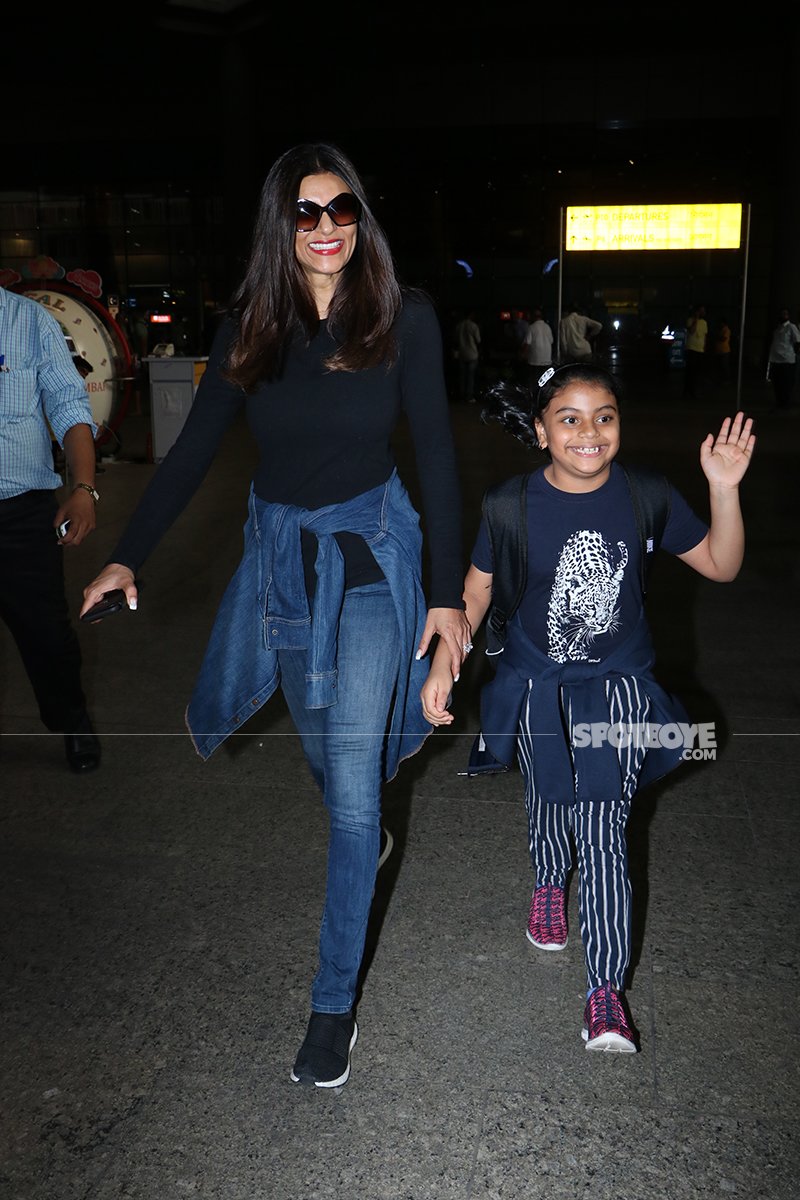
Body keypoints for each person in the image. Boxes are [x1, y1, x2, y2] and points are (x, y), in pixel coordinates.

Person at [79, 142, 471, 1088]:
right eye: (307, 212)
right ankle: (362, 814)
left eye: (343, 209)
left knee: (347, 781)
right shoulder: (251, 325)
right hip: (286, 564)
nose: (328, 228)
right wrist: (128, 551)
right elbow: (190, 454)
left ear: (360, 218)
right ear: (281, 225)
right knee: (332, 766)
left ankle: (331, 1007)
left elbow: (443, 461)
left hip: (375, 558)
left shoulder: (402, 317)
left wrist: (450, 600)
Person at [421, 362, 755, 1054]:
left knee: (604, 829)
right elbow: (475, 594)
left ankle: (604, 992)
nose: (589, 433)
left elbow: (722, 564)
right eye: (568, 418)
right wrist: (446, 661)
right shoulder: (509, 506)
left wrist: (723, 490)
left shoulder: (647, 495)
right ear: (541, 430)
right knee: (549, 802)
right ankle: (548, 880)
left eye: (604, 416)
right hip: (537, 685)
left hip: (618, 689)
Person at [0, 285, 101, 772]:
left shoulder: (29, 322)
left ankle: (72, 719)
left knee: (46, 637)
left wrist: (83, 488)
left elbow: (68, 406)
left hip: (21, 515)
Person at [766, 307, 800, 409]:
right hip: (776, 360)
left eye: (785, 314)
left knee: (786, 383)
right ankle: (779, 402)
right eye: (782, 314)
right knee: (777, 382)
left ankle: (785, 403)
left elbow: (797, 341)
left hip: (787, 361)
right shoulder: (777, 328)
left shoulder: (791, 327)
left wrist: (794, 353)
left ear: (788, 316)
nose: (783, 316)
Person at [520, 306, 553, 388]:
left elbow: (527, 343)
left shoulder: (531, 327)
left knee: (534, 382)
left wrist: (522, 355)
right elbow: (551, 341)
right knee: (545, 383)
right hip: (547, 360)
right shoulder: (547, 327)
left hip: (535, 361)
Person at [455, 308, 481, 402]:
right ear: (471, 315)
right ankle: (469, 396)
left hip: (462, 353)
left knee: (462, 376)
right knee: (471, 377)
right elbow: (478, 340)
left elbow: (456, 340)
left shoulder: (459, 326)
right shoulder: (474, 326)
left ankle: (461, 395)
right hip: (472, 354)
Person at [683, 304, 708, 398]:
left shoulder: (704, 323)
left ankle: (693, 391)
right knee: (690, 371)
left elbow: (705, 336)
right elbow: (692, 331)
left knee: (696, 372)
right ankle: (687, 391)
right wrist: (695, 320)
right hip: (691, 348)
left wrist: (704, 347)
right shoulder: (690, 320)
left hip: (699, 349)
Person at [712, 317, 732, 384]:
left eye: (721, 322)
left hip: (724, 351)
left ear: (723, 323)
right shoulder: (720, 329)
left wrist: (716, 336)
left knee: (725, 366)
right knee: (720, 366)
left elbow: (723, 339)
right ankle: (721, 379)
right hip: (719, 351)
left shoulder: (726, 330)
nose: (719, 324)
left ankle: (727, 380)